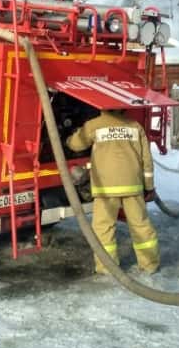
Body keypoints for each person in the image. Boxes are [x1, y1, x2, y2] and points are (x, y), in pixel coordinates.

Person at [66, 108, 159, 274]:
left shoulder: (94, 125)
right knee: (141, 226)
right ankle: (149, 265)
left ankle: (107, 267)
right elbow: (147, 161)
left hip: (105, 188)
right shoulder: (135, 126)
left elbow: (75, 144)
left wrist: (69, 138)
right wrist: (149, 186)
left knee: (104, 228)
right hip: (133, 186)